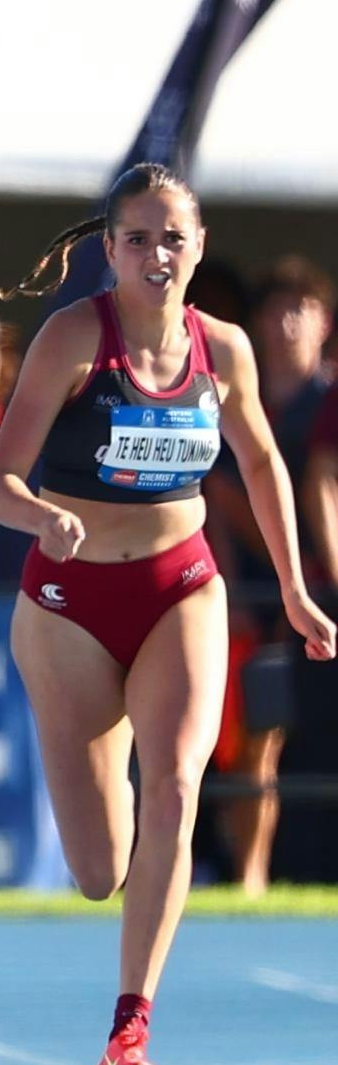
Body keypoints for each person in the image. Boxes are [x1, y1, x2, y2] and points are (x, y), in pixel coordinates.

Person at [0, 170, 331, 1065]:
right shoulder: (72, 338)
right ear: (111, 249)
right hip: (67, 603)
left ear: (200, 245)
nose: (156, 256)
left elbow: (259, 459)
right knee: (100, 869)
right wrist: (42, 520)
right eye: (137, 239)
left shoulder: (227, 350)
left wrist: (294, 587)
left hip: (182, 585)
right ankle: (115, 820)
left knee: (177, 782)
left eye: (173, 238)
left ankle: (131, 1023)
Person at [208, 259, 330, 886]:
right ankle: (249, 877)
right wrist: (233, 592)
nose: (286, 326)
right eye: (274, 311)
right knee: (255, 741)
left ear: (324, 322)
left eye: (300, 311)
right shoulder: (233, 399)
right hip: (254, 605)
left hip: (320, 600)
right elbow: (218, 500)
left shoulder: (328, 403)